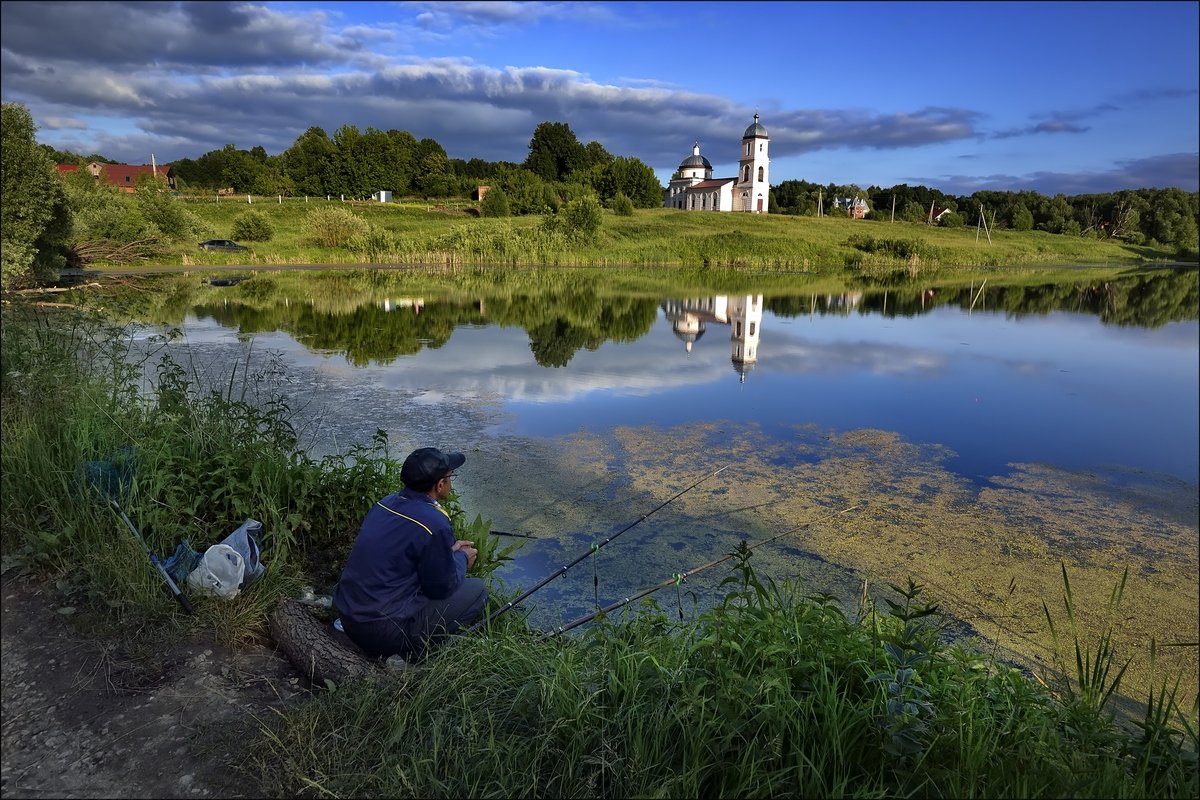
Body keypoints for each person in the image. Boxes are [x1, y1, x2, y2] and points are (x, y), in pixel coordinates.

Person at [333, 447, 487, 662]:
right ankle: (412, 655)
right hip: (381, 631)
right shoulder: (434, 522)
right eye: (451, 476)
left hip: (348, 615)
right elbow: (442, 587)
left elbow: (403, 556)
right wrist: (462, 558)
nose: (452, 480)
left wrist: (447, 553)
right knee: (477, 590)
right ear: (440, 484)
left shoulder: (385, 504)